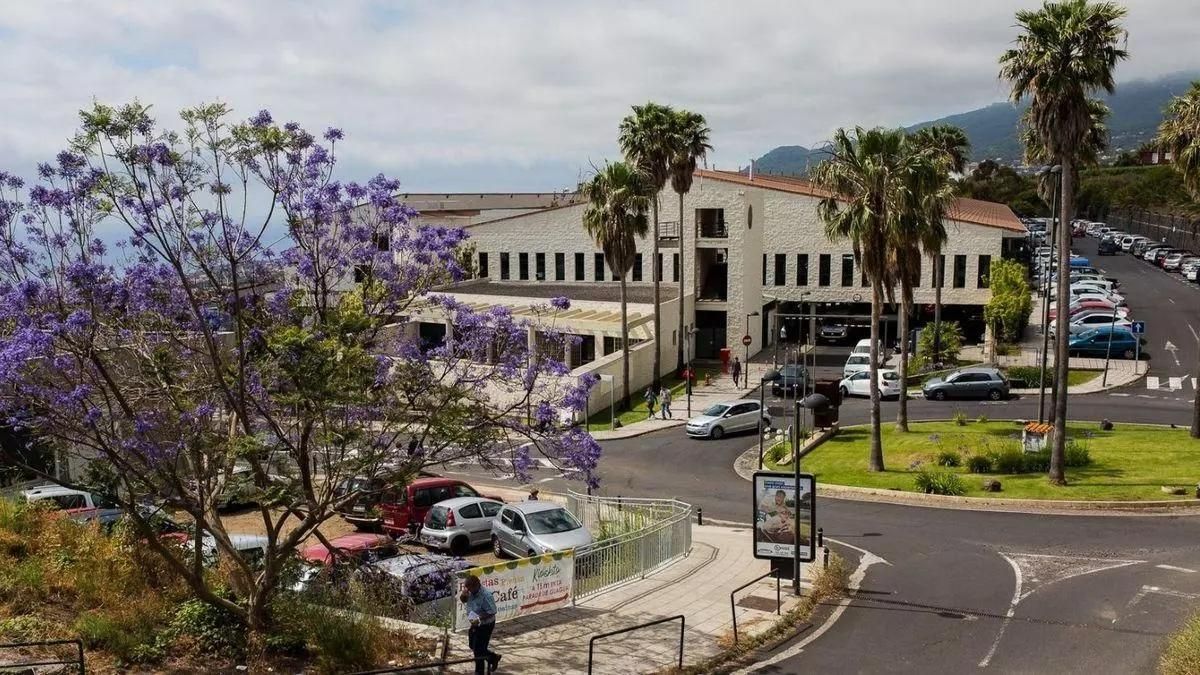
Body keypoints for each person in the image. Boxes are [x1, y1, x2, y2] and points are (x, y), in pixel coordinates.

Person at [460, 574, 500, 674]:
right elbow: (463, 600)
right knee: (472, 645)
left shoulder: (486, 596)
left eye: (470, 588)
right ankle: (493, 657)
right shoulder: (469, 592)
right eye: (467, 588)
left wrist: (479, 617)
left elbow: (492, 611)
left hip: (486, 624)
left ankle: (479, 672)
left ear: (476, 585)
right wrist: (463, 596)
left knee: (478, 650)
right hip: (475, 622)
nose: (468, 590)